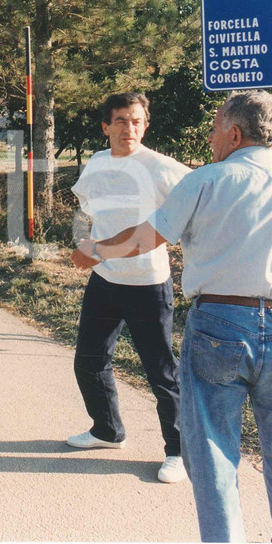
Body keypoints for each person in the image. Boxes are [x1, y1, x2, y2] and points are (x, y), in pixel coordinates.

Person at [71, 89, 272, 542]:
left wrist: (96, 251)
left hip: (220, 325)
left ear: (234, 132)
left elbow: (148, 237)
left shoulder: (204, 180)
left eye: (214, 129)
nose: (210, 139)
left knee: (214, 462)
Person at [66, 92, 191, 484]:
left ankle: (179, 453)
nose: (129, 128)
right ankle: (107, 431)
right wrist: (89, 242)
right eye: (120, 121)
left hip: (148, 285)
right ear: (106, 127)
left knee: (161, 373)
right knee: (88, 359)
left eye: (136, 121)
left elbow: (195, 209)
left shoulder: (163, 168)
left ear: (146, 125)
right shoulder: (97, 163)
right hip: (105, 281)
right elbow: (88, 209)